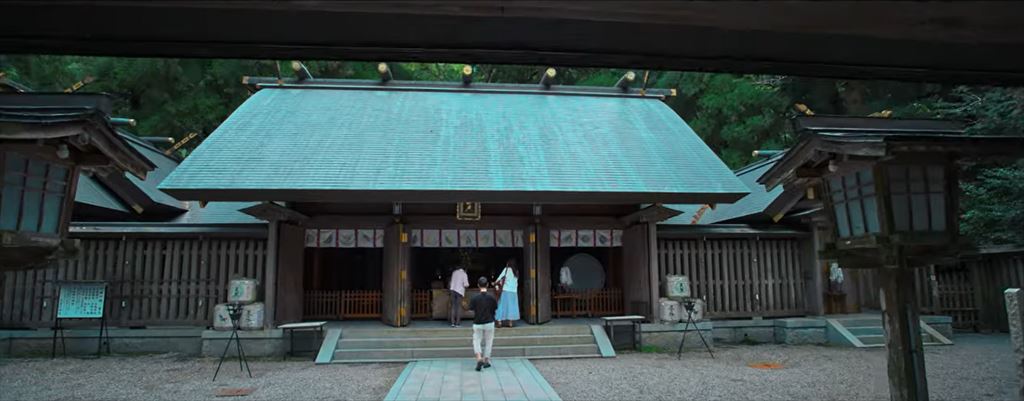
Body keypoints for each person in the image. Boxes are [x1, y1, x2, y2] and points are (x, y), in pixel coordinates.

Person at [467, 276, 497, 371]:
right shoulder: (492, 298)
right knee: (489, 341)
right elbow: (495, 308)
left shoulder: (475, 298)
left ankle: (479, 358)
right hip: (489, 322)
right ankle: (486, 360)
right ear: (487, 285)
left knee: (476, 340)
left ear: (478, 285)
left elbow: (471, 309)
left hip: (478, 322)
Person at [494, 259, 520, 327]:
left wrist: (495, 282)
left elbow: (499, 278)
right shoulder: (516, 272)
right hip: (514, 292)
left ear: (508, 264)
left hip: (505, 290)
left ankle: (499, 321)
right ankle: (510, 323)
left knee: (501, 305)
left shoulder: (506, 270)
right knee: (511, 307)